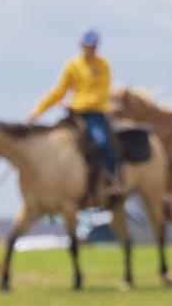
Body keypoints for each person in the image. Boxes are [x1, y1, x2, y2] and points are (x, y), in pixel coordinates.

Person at [28, 27, 120, 198]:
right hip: (74, 115)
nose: (89, 49)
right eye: (86, 45)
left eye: (92, 46)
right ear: (81, 45)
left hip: (94, 114)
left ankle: (113, 178)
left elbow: (101, 95)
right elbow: (58, 92)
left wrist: (75, 104)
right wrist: (37, 111)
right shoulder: (73, 65)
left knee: (101, 142)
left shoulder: (103, 66)